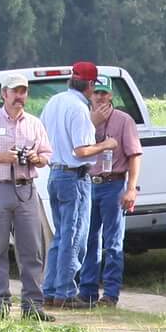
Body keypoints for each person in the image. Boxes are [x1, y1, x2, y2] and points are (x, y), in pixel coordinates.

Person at [0, 75, 53, 320]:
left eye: (23, 92)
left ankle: (33, 307)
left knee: (32, 250)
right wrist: (3, 157)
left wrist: (36, 159)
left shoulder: (34, 123)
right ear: (3, 94)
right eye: (15, 92)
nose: (20, 97)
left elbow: (47, 154)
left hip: (26, 188)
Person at [40, 61, 116, 307]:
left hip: (54, 173)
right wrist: (105, 145)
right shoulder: (80, 109)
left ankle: (50, 290)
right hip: (74, 176)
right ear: (91, 85)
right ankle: (66, 293)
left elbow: (43, 134)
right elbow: (82, 150)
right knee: (75, 237)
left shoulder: (54, 102)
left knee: (60, 237)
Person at [78, 77, 142, 308]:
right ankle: (87, 291)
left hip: (113, 183)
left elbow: (134, 155)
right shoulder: (84, 118)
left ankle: (111, 294)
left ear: (111, 95)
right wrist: (93, 124)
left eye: (105, 93)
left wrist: (131, 188)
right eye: (97, 93)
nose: (101, 98)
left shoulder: (124, 120)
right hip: (88, 183)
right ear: (90, 94)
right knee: (87, 239)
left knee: (113, 242)